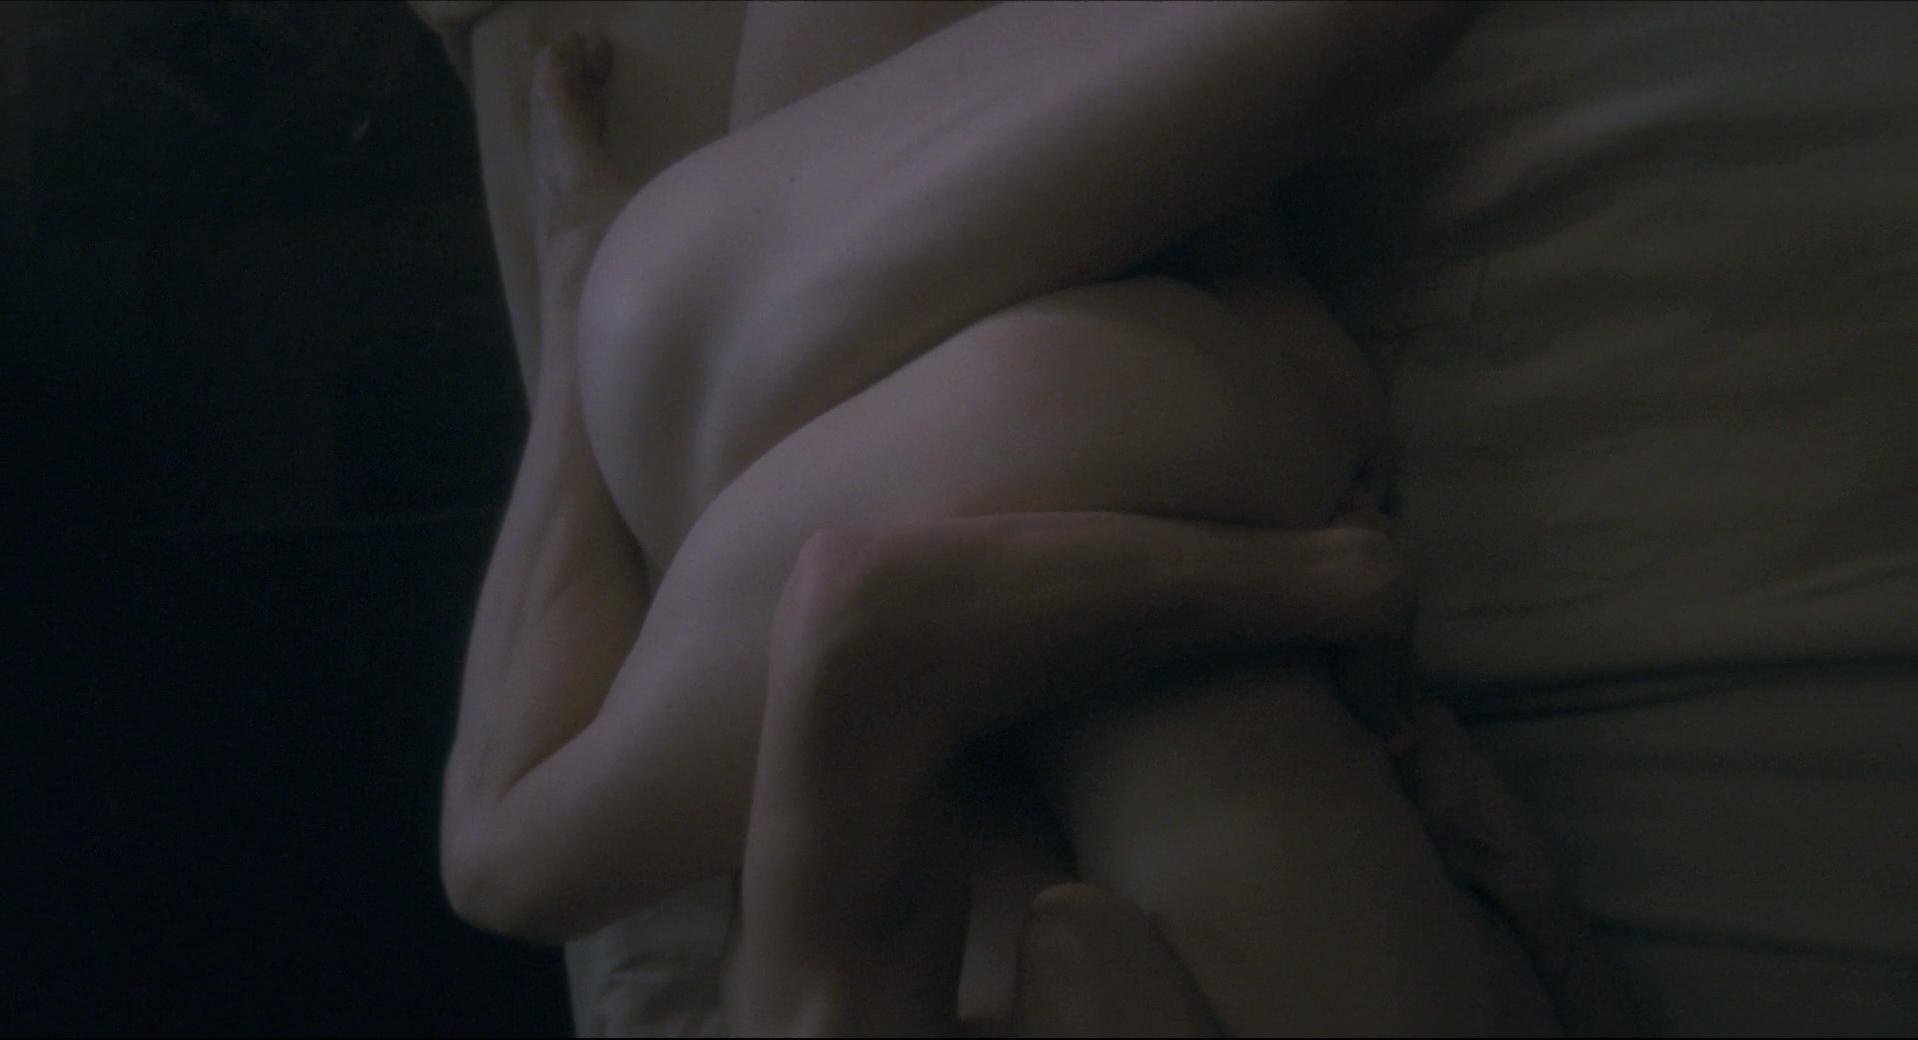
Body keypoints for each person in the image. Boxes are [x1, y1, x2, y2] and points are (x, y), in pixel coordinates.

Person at [420, 1, 1918, 1035]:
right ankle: (593, 277)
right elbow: (867, 630)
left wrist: (1481, 850)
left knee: (672, 381)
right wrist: (1311, 583)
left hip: (1146, 456)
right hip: (1125, 466)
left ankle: (586, 270)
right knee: (668, 372)